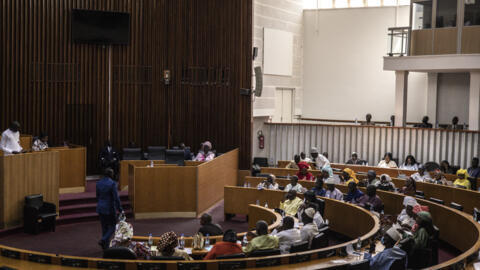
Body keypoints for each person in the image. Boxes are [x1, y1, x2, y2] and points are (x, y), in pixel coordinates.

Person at [96, 168, 124, 249]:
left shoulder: (98, 183)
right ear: (111, 175)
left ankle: (105, 247)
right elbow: (116, 198)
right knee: (113, 226)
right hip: (109, 208)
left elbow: (97, 196)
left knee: (104, 227)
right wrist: (120, 209)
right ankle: (104, 240)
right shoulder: (112, 183)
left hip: (100, 207)